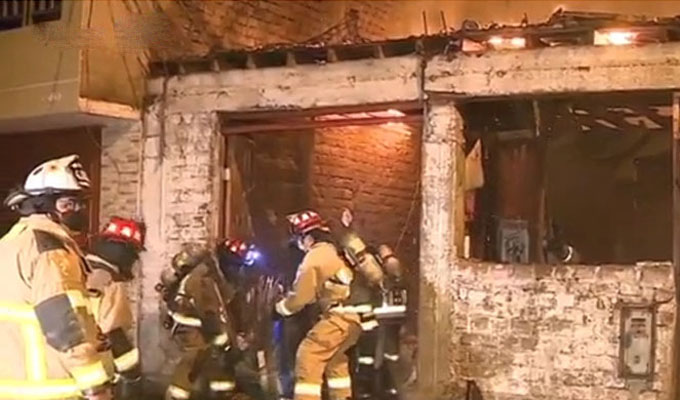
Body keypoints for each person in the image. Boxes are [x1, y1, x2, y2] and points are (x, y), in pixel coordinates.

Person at [0, 154, 113, 400]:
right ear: (43, 205)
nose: (78, 210)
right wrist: (95, 387)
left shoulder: (12, 241)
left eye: (80, 203)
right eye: (69, 203)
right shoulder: (50, 250)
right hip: (49, 389)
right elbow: (64, 326)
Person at [274, 210, 361, 400]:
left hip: (337, 318)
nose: (300, 245)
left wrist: (281, 308)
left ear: (308, 237)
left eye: (300, 239)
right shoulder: (332, 252)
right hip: (352, 319)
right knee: (335, 361)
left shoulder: (315, 256)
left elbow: (301, 296)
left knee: (308, 356)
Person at [161, 243, 234, 400]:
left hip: (189, 329)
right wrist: (221, 338)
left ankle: (220, 393)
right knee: (196, 362)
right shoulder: (202, 279)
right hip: (196, 330)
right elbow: (209, 312)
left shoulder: (191, 277)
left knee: (209, 362)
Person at [85, 217, 145, 400]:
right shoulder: (111, 281)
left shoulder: (76, 267)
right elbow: (114, 332)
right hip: (95, 373)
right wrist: (133, 374)